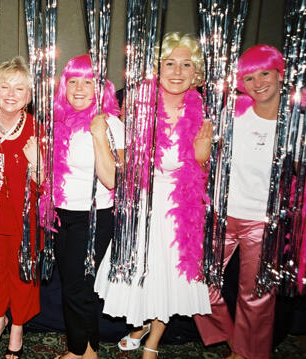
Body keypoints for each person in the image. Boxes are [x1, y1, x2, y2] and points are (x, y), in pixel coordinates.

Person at [94, 32, 212, 358]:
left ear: (196, 71)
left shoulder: (202, 110)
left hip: (180, 205)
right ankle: (138, 325)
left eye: (186, 64)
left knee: (170, 277)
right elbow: (122, 157)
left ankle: (152, 343)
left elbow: (202, 172)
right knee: (142, 274)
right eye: (169, 63)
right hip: (141, 201)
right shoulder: (136, 103)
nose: (177, 71)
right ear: (157, 69)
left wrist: (202, 159)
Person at [194, 44, 284, 359]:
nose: (257, 83)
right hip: (220, 215)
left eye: (265, 74)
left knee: (256, 295)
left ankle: (248, 355)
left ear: (280, 75)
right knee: (196, 282)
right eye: (249, 77)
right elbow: (205, 161)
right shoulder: (231, 114)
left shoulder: (294, 125)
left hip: (263, 221)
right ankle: (236, 341)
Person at [50, 54, 124, 359]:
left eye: (88, 81)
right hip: (61, 215)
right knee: (74, 286)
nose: (79, 88)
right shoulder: (60, 121)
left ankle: (83, 353)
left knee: (77, 290)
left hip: (92, 217)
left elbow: (110, 180)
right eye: (73, 81)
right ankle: (85, 349)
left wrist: (97, 134)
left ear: (101, 88)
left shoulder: (111, 124)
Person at [0, 56, 41, 359]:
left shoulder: (35, 128)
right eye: (4, 86)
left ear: (29, 96)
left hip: (22, 218)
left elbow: (47, 185)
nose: (10, 94)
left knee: (21, 273)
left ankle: (17, 325)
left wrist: (38, 164)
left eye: (19, 88)